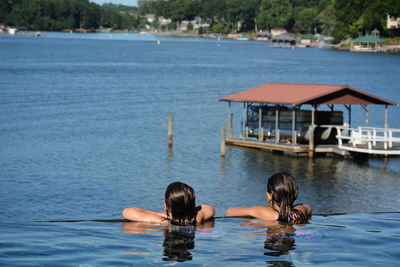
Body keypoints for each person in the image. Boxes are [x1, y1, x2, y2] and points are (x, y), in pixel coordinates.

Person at [226, 172, 312, 224]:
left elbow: (229, 212)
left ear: (269, 196)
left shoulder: (267, 212)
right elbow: (308, 207)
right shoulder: (298, 212)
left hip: (276, 231)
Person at [122, 181, 215, 226]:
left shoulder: (164, 222)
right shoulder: (197, 218)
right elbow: (210, 209)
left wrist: (161, 216)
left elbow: (127, 212)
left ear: (166, 205)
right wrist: (189, 212)